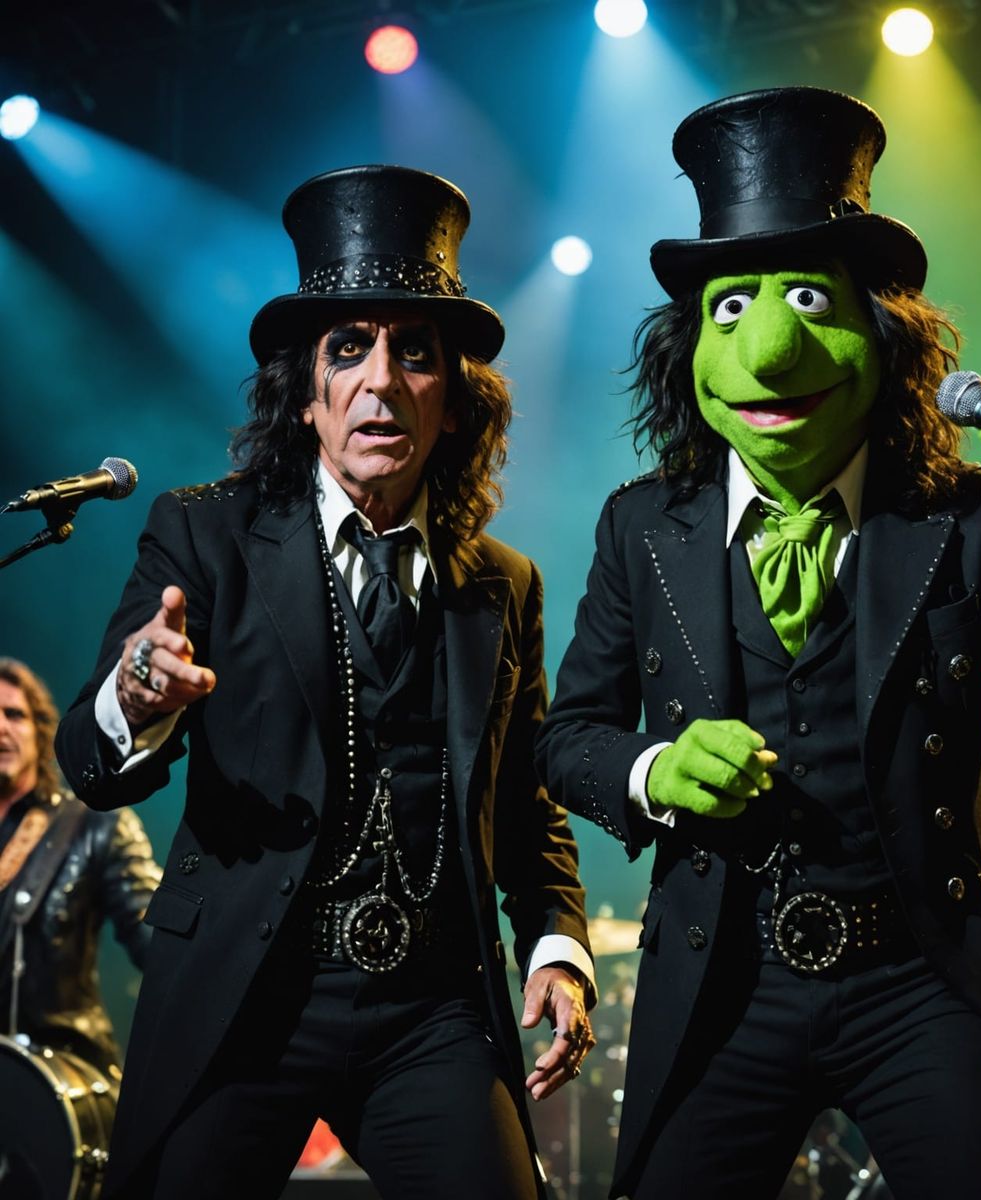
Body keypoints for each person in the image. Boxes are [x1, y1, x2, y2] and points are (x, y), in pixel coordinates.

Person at [535, 87, 981, 1200]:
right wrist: (654, 771)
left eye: (811, 300)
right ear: (690, 345)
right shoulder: (642, 526)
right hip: (721, 975)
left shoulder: (965, 514)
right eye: (732, 309)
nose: (770, 351)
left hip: (925, 977)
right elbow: (568, 736)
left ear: (882, 332)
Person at [54, 164, 595, 1200]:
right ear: (306, 398)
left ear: (454, 402)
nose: (381, 381)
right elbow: (87, 762)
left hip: (430, 1008)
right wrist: (135, 693)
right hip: (244, 993)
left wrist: (558, 947)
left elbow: (528, 804)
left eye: (415, 352)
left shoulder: (506, 585)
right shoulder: (204, 534)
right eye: (349, 349)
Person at [0, 656, 161, 1193]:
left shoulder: (91, 825)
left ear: (40, 730)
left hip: (60, 1087)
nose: (1, 728)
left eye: (14, 714)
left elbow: (161, 944)